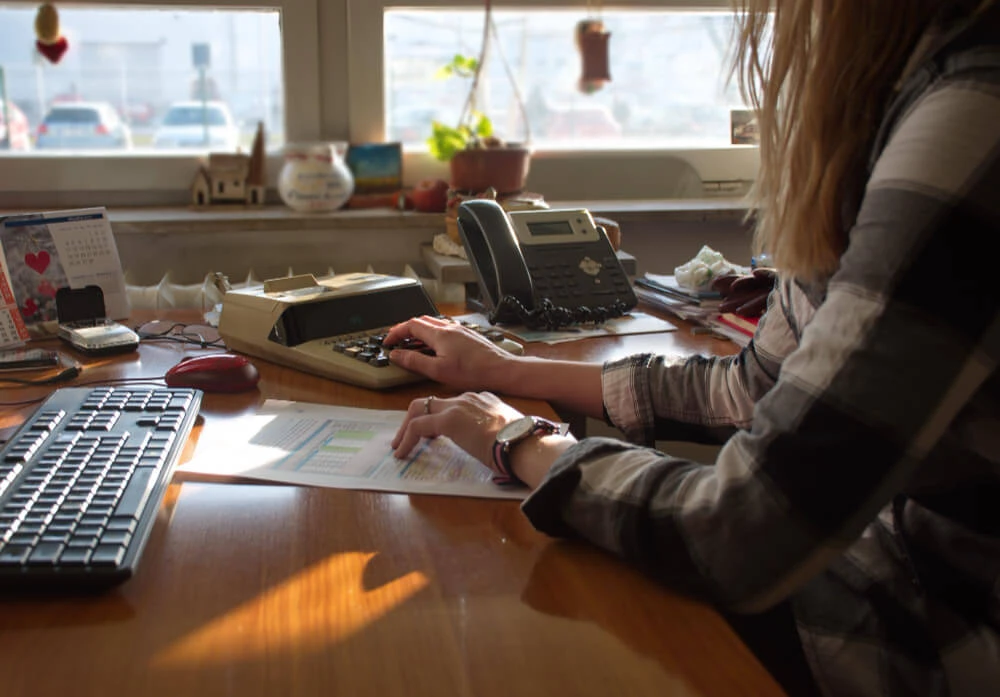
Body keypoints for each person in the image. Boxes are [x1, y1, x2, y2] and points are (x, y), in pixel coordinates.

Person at [384, 1, 1000, 695]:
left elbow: (740, 529)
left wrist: (520, 441)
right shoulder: (890, 99)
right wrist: (506, 368)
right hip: (866, 573)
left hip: (934, 636)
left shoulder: (972, 111)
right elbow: (750, 388)